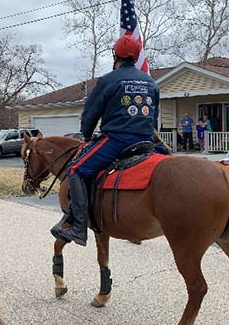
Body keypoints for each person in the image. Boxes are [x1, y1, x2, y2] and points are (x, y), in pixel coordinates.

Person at [51, 35, 159, 246]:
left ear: (115, 55)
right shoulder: (150, 82)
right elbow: (153, 116)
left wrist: (88, 135)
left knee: (75, 170)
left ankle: (78, 227)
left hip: (117, 140)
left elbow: (90, 114)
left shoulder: (109, 80)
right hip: (146, 141)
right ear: (136, 56)